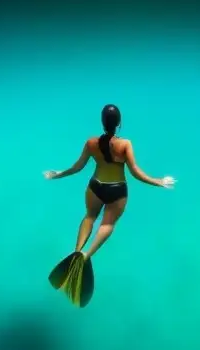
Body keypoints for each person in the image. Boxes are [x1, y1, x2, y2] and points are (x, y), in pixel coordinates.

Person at [43, 103, 176, 307]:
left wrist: (58, 174)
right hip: (117, 190)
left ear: (102, 123)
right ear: (119, 123)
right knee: (107, 224)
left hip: (95, 186)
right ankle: (86, 255)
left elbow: (77, 167)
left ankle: (76, 250)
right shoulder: (125, 145)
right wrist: (158, 181)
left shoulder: (91, 143)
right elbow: (135, 172)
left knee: (89, 216)